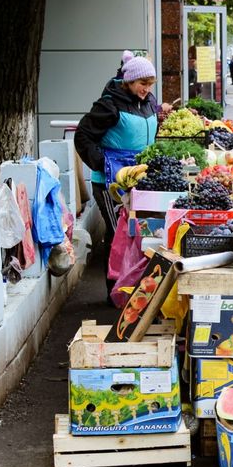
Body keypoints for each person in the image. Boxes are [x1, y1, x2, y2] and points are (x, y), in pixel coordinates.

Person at [75, 50, 159, 304]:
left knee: (138, 234)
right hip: (111, 182)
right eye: (142, 84)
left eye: (150, 84)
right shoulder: (110, 105)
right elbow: (82, 136)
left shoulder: (147, 102)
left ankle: (133, 288)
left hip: (139, 180)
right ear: (129, 81)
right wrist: (103, 162)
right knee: (119, 232)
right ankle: (115, 293)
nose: (146, 89)